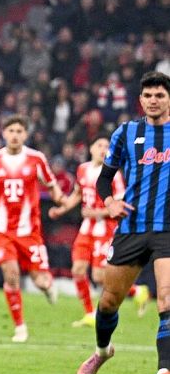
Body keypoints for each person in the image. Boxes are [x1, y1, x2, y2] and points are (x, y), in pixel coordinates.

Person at [75, 71, 170, 374]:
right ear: (141, 100)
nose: (153, 101)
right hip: (131, 227)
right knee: (109, 301)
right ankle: (102, 351)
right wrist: (110, 201)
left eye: (160, 95)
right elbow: (104, 180)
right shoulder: (127, 132)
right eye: (148, 96)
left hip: (167, 229)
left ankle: (163, 371)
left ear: (169, 99)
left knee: (166, 299)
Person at [0, 115, 64, 342]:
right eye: (11, 131)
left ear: (25, 134)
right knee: (11, 275)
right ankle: (20, 327)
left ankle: (47, 287)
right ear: (4, 133)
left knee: (40, 281)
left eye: (19, 131)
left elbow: (51, 185)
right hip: (2, 230)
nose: (15, 135)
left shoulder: (36, 159)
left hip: (30, 231)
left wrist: (61, 200)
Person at [48, 137, 149, 327]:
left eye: (107, 146)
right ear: (91, 149)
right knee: (77, 270)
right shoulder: (82, 169)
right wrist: (61, 210)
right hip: (87, 229)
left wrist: (97, 213)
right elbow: (78, 194)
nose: (103, 149)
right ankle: (89, 313)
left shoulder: (114, 175)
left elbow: (120, 204)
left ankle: (137, 291)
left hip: (106, 229)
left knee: (99, 277)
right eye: (99, 145)